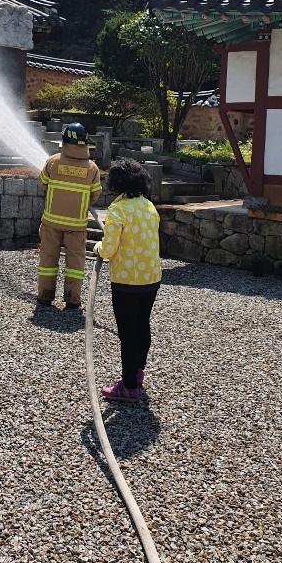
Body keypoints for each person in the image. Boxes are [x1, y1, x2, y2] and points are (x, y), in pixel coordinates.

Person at [93, 158, 161, 402]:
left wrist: (98, 248)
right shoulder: (149, 207)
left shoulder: (118, 210)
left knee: (127, 333)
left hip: (127, 281)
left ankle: (128, 386)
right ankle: (138, 371)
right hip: (151, 278)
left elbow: (109, 248)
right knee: (142, 325)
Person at [37, 122, 101, 309]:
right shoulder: (92, 168)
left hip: (51, 222)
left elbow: (42, 184)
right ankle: (73, 299)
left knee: (48, 259)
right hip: (76, 225)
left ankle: (45, 295)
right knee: (75, 263)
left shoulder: (52, 162)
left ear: (64, 140)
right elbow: (95, 195)